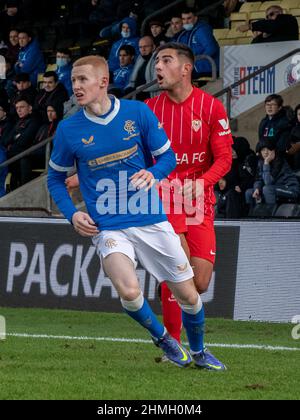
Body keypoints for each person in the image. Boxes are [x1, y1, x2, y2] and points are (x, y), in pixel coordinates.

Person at [50, 55, 225, 370]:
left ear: (103, 82)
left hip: (151, 219)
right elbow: (55, 179)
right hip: (108, 226)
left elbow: (167, 158)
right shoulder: (68, 129)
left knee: (190, 294)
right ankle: (164, 339)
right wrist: (72, 214)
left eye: (82, 80)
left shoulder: (137, 113)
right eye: (73, 80)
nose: (75, 86)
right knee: (129, 291)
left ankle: (199, 351)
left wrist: (154, 174)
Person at [145, 43, 232, 342]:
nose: (157, 66)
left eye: (165, 60)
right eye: (156, 61)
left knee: (201, 282)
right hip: (163, 196)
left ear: (186, 68)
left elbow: (224, 158)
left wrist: (203, 182)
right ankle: (174, 342)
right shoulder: (149, 110)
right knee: (178, 267)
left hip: (198, 198)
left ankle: (168, 288)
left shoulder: (211, 107)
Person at [245, 139, 300, 207]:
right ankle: (252, 217)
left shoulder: (279, 161)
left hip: (290, 189)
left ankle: (270, 216)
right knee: (249, 192)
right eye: (263, 150)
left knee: (267, 189)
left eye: (268, 149)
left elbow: (268, 182)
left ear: (274, 151)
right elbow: (259, 179)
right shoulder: (261, 162)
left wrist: (266, 163)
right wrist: (257, 188)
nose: (266, 152)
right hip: (275, 188)